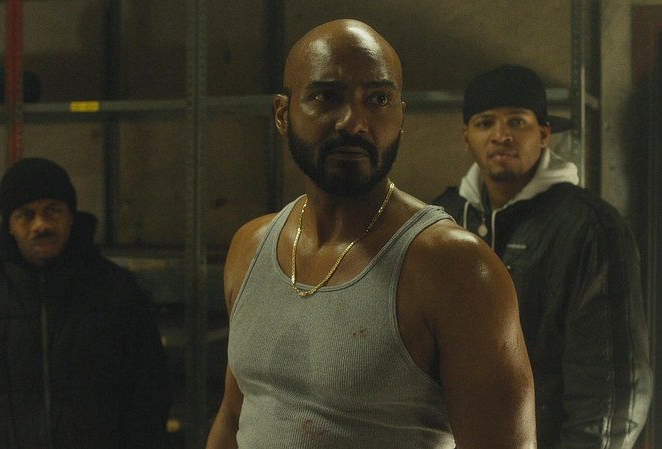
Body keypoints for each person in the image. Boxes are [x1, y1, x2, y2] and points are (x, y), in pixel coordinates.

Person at [206, 19, 537, 449]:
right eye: (326, 97)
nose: (354, 122)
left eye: (378, 99)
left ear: (400, 115)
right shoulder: (250, 247)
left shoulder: (456, 268)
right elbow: (233, 417)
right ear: (283, 114)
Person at [433, 64, 653, 449]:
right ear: (467, 137)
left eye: (517, 121)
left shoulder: (591, 227)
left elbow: (613, 386)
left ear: (545, 134)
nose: (501, 135)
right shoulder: (442, 221)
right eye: (485, 123)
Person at [0, 157, 172, 449]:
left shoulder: (118, 293)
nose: (41, 224)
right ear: (9, 225)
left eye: (52, 210)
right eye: (26, 215)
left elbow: (149, 398)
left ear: (71, 216)